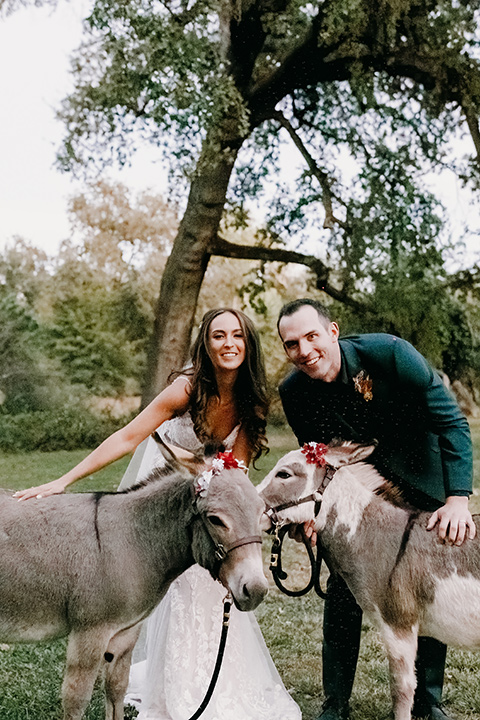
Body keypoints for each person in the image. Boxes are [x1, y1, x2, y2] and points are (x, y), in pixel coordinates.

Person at [15, 308, 302, 720]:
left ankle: (209, 683)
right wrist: (63, 480)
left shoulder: (252, 402)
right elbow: (129, 436)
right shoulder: (185, 388)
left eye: (237, 335)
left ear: (248, 343)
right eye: (217, 335)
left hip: (208, 497)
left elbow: (233, 473)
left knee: (210, 583)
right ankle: (167, 687)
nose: (228, 343)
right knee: (162, 584)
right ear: (205, 344)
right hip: (163, 495)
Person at [276, 298, 475, 720]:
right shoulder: (293, 393)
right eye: (292, 344)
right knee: (346, 585)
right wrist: (311, 514)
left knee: (423, 585)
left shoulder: (390, 353)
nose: (305, 350)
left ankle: (427, 701)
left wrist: (458, 498)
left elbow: (452, 423)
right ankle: (335, 704)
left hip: (422, 478)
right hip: (356, 493)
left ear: (333, 331)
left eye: (312, 336)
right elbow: (317, 462)